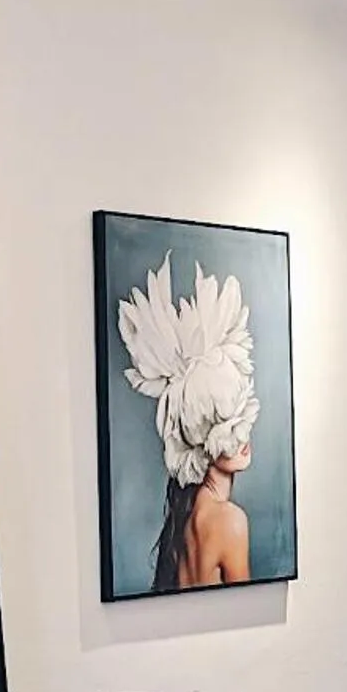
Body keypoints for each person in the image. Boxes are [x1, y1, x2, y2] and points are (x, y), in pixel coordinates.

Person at [117, 252, 263, 591]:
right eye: (225, 418)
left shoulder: (183, 521)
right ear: (198, 435)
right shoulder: (230, 521)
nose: (243, 433)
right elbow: (244, 614)